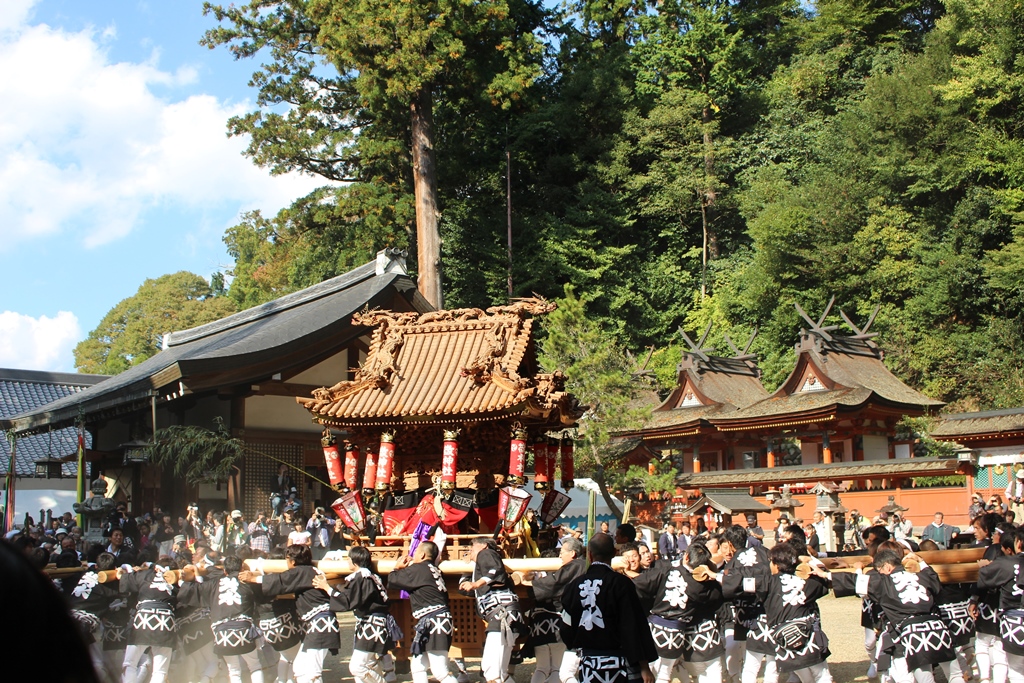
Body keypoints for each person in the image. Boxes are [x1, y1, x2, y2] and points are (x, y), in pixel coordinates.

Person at [833, 548, 956, 683]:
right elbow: (934, 580)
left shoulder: (884, 583)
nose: (880, 574)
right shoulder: (920, 575)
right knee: (956, 676)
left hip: (914, 634)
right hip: (938, 629)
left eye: (880, 570)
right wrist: (921, 561)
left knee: (925, 680)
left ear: (887, 566)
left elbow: (857, 584)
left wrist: (828, 575)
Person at [561, 533, 657, 683]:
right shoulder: (622, 584)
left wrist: (577, 645)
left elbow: (566, 627)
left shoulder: (574, 586)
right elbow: (634, 626)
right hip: (620, 664)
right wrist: (644, 664)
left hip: (589, 665)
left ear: (590, 555)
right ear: (614, 552)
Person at [243, 543, 340, 683]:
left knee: (310, 671)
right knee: (300, 668)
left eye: (287, 559)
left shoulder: (303, 571)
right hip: (319, 624)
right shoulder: (309, 571)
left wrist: (253, 578)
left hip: (321, 623)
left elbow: (281, 580)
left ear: (293, 561)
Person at [634, 540, 725, 683]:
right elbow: (718, 597)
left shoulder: (666, 568)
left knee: (653, 672)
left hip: (653, 628)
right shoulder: (701, 585)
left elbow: (639, 585)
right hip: (675, 634)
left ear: (686, 556)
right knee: (663, 674)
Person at [314, 545, 394, 683]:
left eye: (349, 559)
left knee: (357, 667)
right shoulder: (370, 576)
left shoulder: (361, 577)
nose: (347, 562)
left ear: (354, 562)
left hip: (372, 625)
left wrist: (327, 588)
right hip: (373, 623)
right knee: (367, 666)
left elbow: (346, 601)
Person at [387, 541, 462, 683]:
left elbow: (393, 580)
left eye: (415, 552)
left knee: (440, 672)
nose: (413, 555)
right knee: (418, 666)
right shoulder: (433, 569)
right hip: (435, 620)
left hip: (435, 622)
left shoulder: (418, 569)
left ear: (421, 555)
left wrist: (397, 567)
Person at [459, 537, 524, 683]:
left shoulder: (487, 553)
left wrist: (476, 583)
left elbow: (494, 571)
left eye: (472, 547)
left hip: (501, 616)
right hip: (506, 615)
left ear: (484, 546)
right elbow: (465, 589)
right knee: (499, 671)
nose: (470, 550)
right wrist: (466, 573)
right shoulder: (479, 569)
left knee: (491, 669)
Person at [525, 537, 587, 683]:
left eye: (562, 552)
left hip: (554, 625)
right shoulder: (582, 566)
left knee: (553, 670)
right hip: (563, 624)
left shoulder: (574, 566)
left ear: (572, 553)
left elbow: (555, 583)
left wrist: (529, 584)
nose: (560, 556)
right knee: (559, 671)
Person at [197, 554, 265, 683]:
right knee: (255, 666)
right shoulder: (247, 581)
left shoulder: (214, 583)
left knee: (233, 671)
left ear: (224, 571)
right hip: (243, 630)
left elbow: (194, 589)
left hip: (221, 633)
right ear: (241, 569)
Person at [117, 548, 179, 683]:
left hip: (143, 620)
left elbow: (125, 580)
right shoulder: (177, 579)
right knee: (160, 671)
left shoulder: (145, 575)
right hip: (166, 621)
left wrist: (123, 571)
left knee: (130, 664)